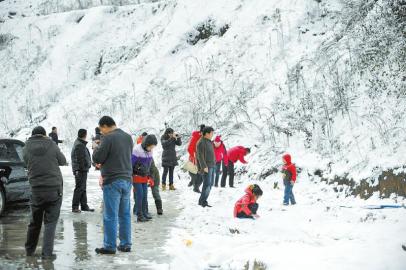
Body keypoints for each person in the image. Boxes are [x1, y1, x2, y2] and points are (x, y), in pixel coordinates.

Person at [23, 126, 67, 260]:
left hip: (36, 190)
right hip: (54, 189)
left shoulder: (26, 147)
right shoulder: (52, 145)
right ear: (44, 134)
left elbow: (25, 162)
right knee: (50, 223)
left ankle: (29, 250)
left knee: (34, 222)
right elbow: (63, 161)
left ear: (32, 135)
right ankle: (47, 254)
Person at [92, 116, 133, 254]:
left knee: (110, 215)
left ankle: (109, 246)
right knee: (125, 214)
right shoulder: (128, 137)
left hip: (113, 180)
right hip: (127, 179)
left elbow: (97, 158)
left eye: (101, 129)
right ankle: (126, 244)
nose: (101, 132)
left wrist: (96, 146)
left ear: (104, 126)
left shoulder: (108, 138)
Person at [133, 133, 163, 215]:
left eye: (152, 147)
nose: (151, 149)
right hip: (139, 176)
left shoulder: (149, 154)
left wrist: (151, 177)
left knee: (150, 193)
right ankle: (138, 211)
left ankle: (151, 210)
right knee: (139, 194)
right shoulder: (137, 151)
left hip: (149, 176)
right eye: (150, 147)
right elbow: (131, 164)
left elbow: (151, 167)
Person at [71, 129, 94, 213]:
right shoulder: (79, 145)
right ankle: (75, 207)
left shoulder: (79, 143)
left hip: (80, 169)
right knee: (79, 188)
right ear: (85, 135)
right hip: (80, 170)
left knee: (82, 188)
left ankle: (84, 206)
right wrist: (83, 168)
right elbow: (80, 159)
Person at [196, 126, 215, 207]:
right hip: (206, 166)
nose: (212, 135)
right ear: (206, 133)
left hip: (211, 165)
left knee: (210, 184)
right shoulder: (201, 142)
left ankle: (202, 200)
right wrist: (204, 167)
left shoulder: (208, 141)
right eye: (211, 133)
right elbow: (200, 156)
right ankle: (203, 201)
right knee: (207, 184)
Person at [187, 124, 205, 193]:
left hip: (202, 159)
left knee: (201, 175)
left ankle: (195, 185)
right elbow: (189, 148)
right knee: (194, 174)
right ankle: (195, 187)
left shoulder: (205, 138)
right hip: (194, 158)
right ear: (201, 132)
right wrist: (194, 155)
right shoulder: (195, 137)